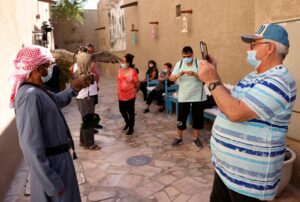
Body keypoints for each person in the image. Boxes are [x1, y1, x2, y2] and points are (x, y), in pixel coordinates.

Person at [198, 24, 296, 202]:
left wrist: (211, 81)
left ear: (270, 48)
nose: (248, 49)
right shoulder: (253, 76)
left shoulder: (279, 81)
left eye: (253, 43)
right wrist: (215, 73)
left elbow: (235, 113)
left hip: (249, 184)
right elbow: (230, 101)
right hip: (226, 172)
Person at [11, 45, 86, 202]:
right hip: (53, 168)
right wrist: (51, 182)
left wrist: (73, 87)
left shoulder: (38, 90)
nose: (48, 71)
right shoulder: (29, 96)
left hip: (60, 163)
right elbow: (30, 147)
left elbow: (57, 100)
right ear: (36, 69)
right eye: (46, 67)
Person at [169, 46, 207, 149]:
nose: (186, 58)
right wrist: (178, 75)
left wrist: (194, 74)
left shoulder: (199, 63)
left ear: (192, 54)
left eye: (188, 56)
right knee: (181, 117)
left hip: (197, 96)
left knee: (197, 118)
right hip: (184, 96)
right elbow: (171, 78)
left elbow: (205, 78)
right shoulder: (179, 64)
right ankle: (178, 137)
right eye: (184, 56)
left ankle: (195, 138)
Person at [71, 61, 101, 150]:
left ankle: (83, 140)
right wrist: (92, 68)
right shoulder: (85, 65)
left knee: (85, 119)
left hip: (85, 96)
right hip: (85, 97)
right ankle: (89, 143)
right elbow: (97, 75)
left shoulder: (79, 64)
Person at [117, 53, 139, 135]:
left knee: (130, 112)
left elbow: (137, 83)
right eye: (121, 61)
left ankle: (131, 127)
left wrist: (135, 91)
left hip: (130, 95)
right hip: (121, 95)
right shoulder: (119, 70)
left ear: (128, 63)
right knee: (122, 110)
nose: (121, 62)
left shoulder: (133, 72)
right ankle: (127, 122)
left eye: (123, 61)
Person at [86, 43, 103, 130]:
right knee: (88, 109)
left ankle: (93, 123)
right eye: (89, 51)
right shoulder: (84, 61)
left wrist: (96, 85)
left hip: (94, 87)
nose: (91, 53)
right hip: (88, 89)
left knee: (93, 106)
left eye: (92, 51)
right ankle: (90, 127)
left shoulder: (93, 60)